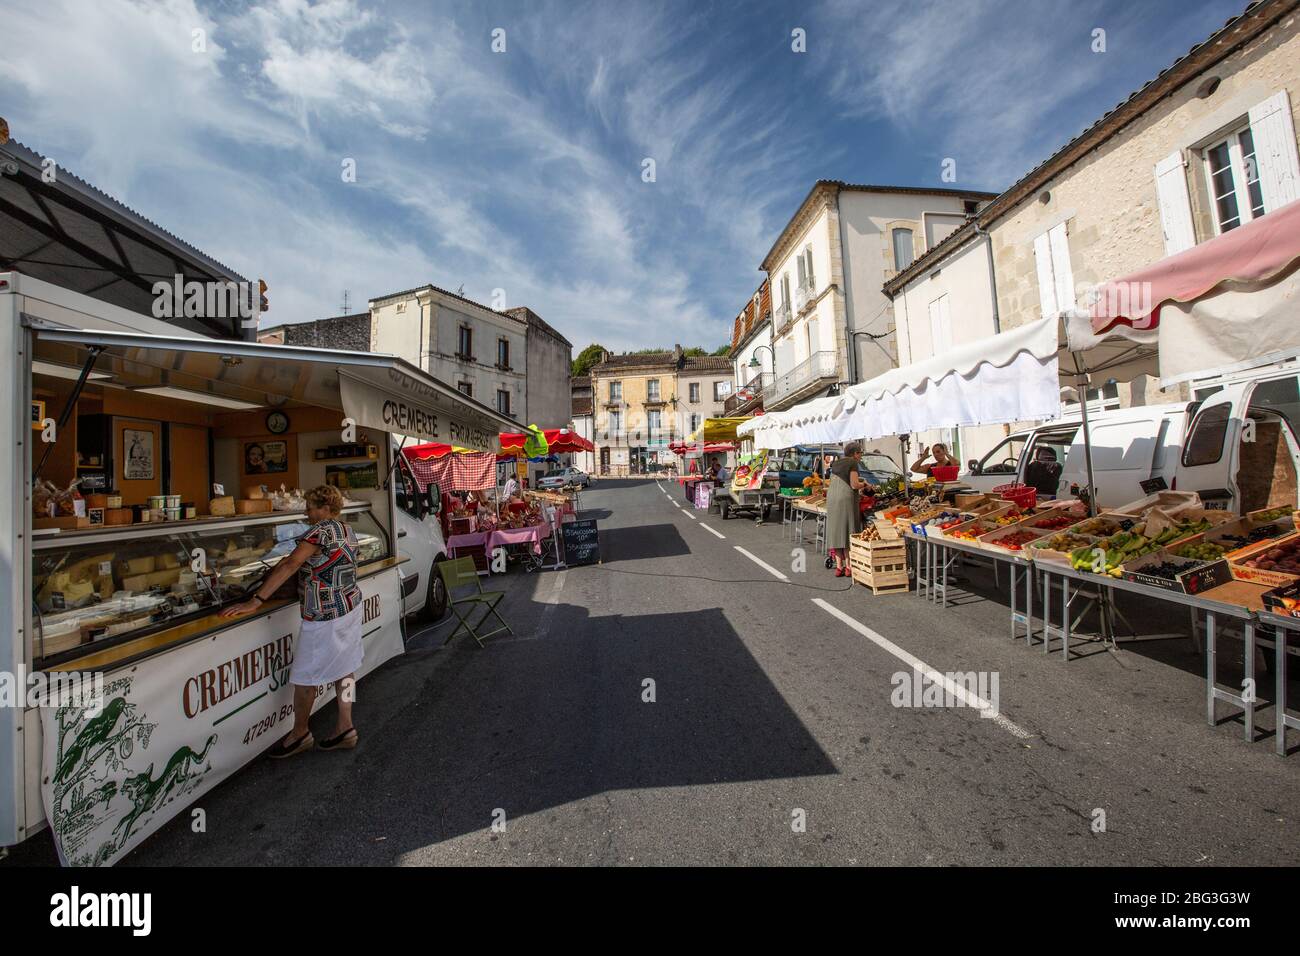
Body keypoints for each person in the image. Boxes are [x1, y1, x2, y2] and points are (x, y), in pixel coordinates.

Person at [220, 485, 362, 756]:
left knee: (305, 676)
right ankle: (346, 725)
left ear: (324, 507)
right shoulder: (347, 529)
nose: (307, 512)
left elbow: (290, 564)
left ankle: (300, 733)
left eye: (310, 506)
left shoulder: (320, 530)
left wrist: (255, 600)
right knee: (345, 667)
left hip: (323, 612)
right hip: (348, 605)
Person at [826, 443, 875, 577]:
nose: (860, 456)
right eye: (860, 453)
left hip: (832, 498)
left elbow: (844, 478)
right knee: (848, 529)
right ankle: (849, 566)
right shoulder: (853, 463)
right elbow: (854, 485)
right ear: (854, 453)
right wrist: (864, 484)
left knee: (836, 531)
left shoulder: (837, 463)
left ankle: (839, 567)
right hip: (845, 498)